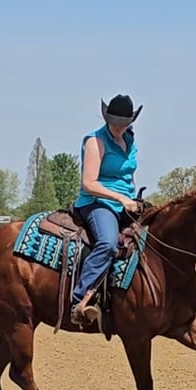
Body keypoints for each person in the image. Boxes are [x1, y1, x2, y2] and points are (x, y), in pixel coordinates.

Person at [70, 93, 142, 325]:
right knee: (108, 242)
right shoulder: (95, 141)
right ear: (107, 119)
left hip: (126, 201)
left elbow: (127, 175)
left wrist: (132, 199)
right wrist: (120, 198)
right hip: (97, 202)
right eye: (115, 122)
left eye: (124, 123)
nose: (119, 127)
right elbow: (89, 183)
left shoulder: (129, 141)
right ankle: (81, 299)